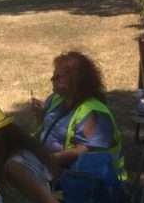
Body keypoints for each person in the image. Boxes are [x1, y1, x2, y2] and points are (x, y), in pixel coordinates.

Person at [32, 51, 125, 179]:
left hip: (90, 182)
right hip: (57, 169)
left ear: (76, 81)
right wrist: (40, 115)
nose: (52, 79)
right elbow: (47, 131)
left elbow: (83, 152)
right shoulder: (55, 99)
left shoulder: (93, 112)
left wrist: (47, 160)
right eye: (54, 75)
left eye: (58, 76)